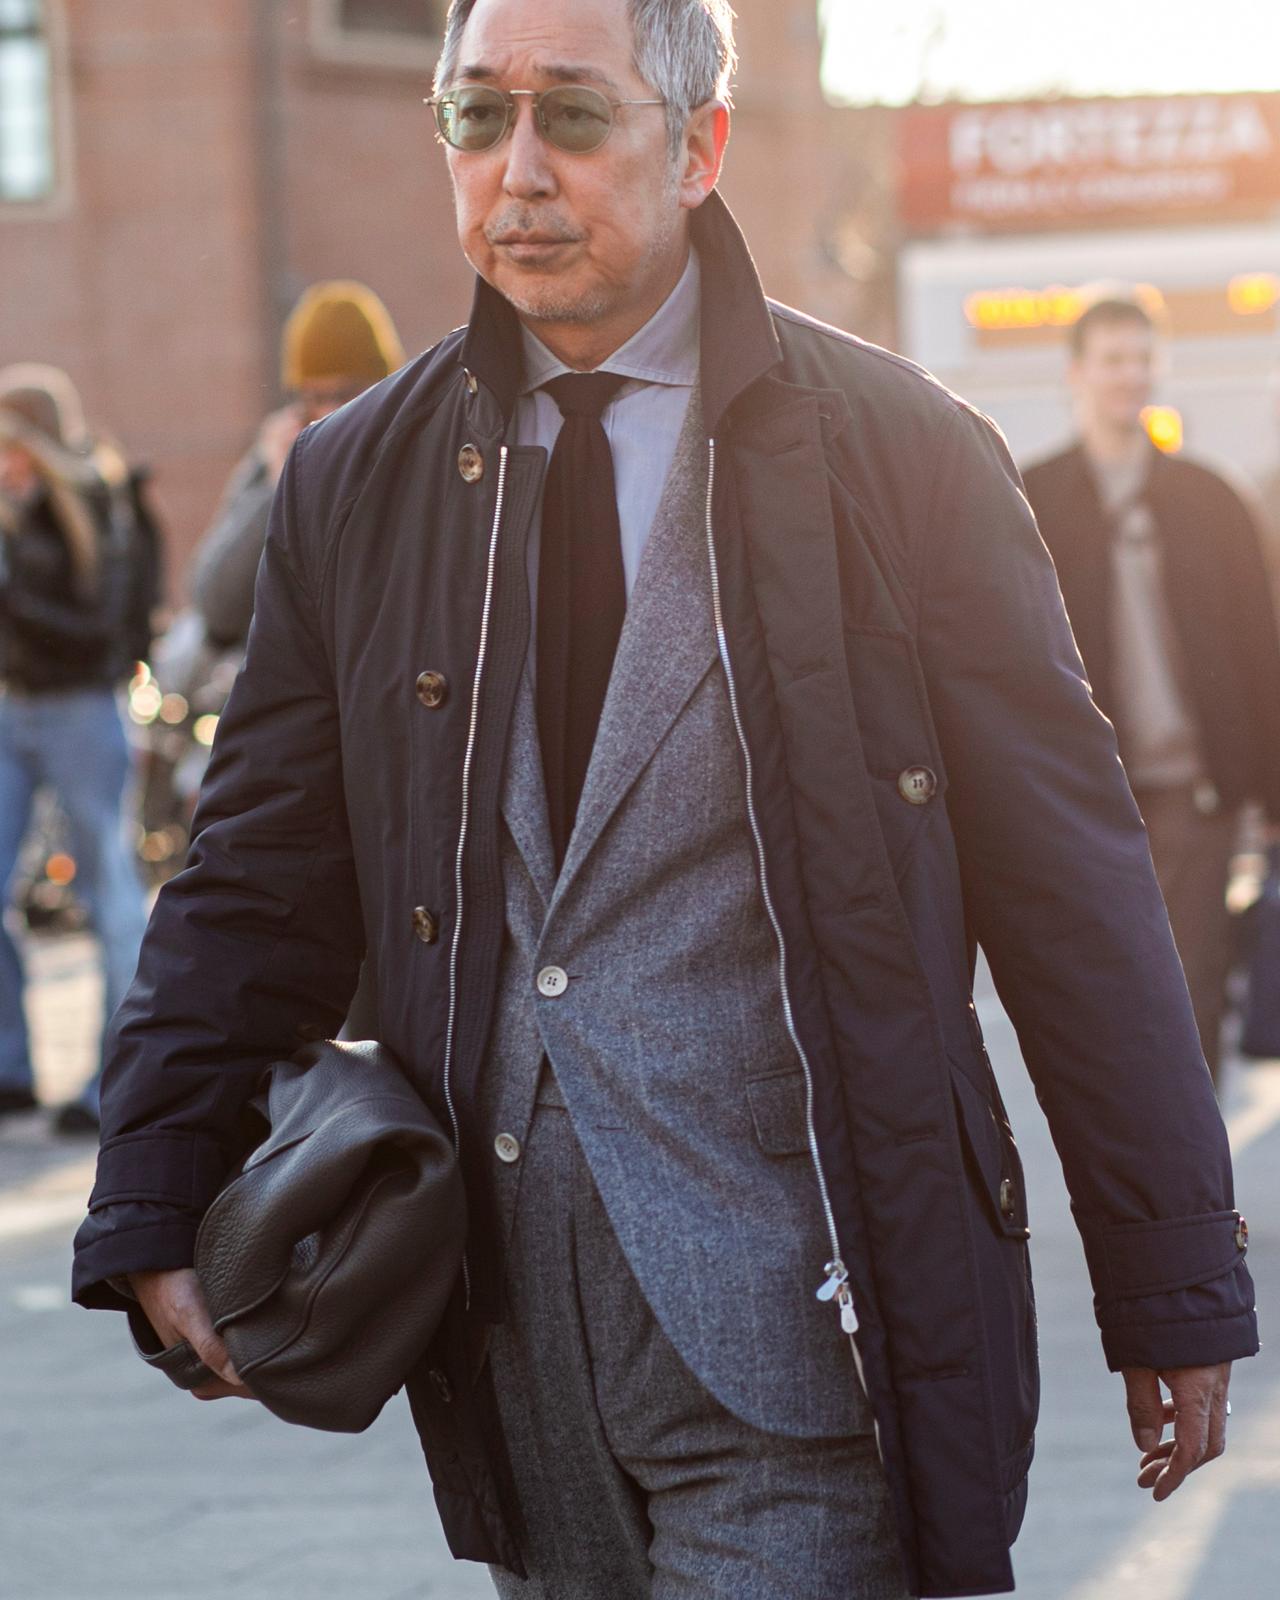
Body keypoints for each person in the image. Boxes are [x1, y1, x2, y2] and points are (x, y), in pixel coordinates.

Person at [73, 4, 1255, 1597]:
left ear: (698, 147)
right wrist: (154, 1181)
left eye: (572, 115)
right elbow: (259, 870)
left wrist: (1170, 1274)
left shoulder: (905, 457)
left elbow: (1074, 888)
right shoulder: (358, 480)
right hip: (499, 1350)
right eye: (474, 121)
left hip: (810, 1341)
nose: (518, 172)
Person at [1023, 297, 1280, 1084]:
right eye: (1112, 360)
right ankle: (1137, 1181)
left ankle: (1199, 1187)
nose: (1129, 375)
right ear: (1076, 374)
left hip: (1199, 795)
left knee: (1195, 986)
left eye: (1142, 358)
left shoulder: (1211, 498)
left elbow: (1259, 649)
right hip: (1088, 796)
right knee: (1104, 992)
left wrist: (1271, 801)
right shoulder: (1031, 497)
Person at [0, 366, 155, 1134]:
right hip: (11, 708)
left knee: (110, 898)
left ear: (43, 445)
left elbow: (103, 630)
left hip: (83, 710)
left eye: (15, 449)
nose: (6, 467)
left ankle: (112, 1083)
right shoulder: (10, 514)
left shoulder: (96, 502)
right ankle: (10, 1067)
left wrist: (12, 597)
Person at [188, 280, 406, 656]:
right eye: (316, 397)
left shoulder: (414, 455)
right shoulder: (276, 460)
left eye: (347, 393)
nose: (331, 412)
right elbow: (216, 608)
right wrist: (281, 488)